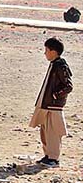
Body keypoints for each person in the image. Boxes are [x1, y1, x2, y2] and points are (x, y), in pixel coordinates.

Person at [29, 37, 73, 167]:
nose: (45, 53)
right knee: (45, 130)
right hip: (47, 104)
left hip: (54, 106)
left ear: (53, 52)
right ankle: (48, 155)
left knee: (53, 132)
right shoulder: (54, 64)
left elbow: (68, 86)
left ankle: (53, 158)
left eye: (46, 50)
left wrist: (55, 95)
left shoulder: (61, 66)